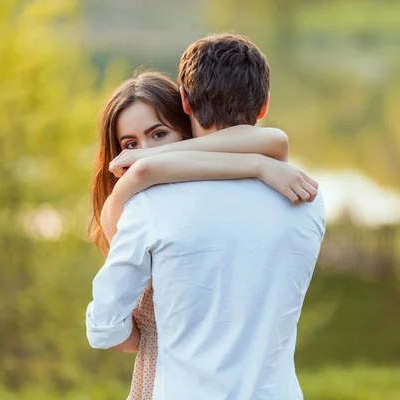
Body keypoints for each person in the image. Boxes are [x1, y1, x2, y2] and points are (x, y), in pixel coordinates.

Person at [86, 34, 325, 399]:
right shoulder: (306, 197)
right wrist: (258, 165)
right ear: (263, 106)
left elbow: (104, 326)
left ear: (184, 101)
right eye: (131, 145)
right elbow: (274, 142)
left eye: (158, 136)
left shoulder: (151, 205)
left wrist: (153, 337)